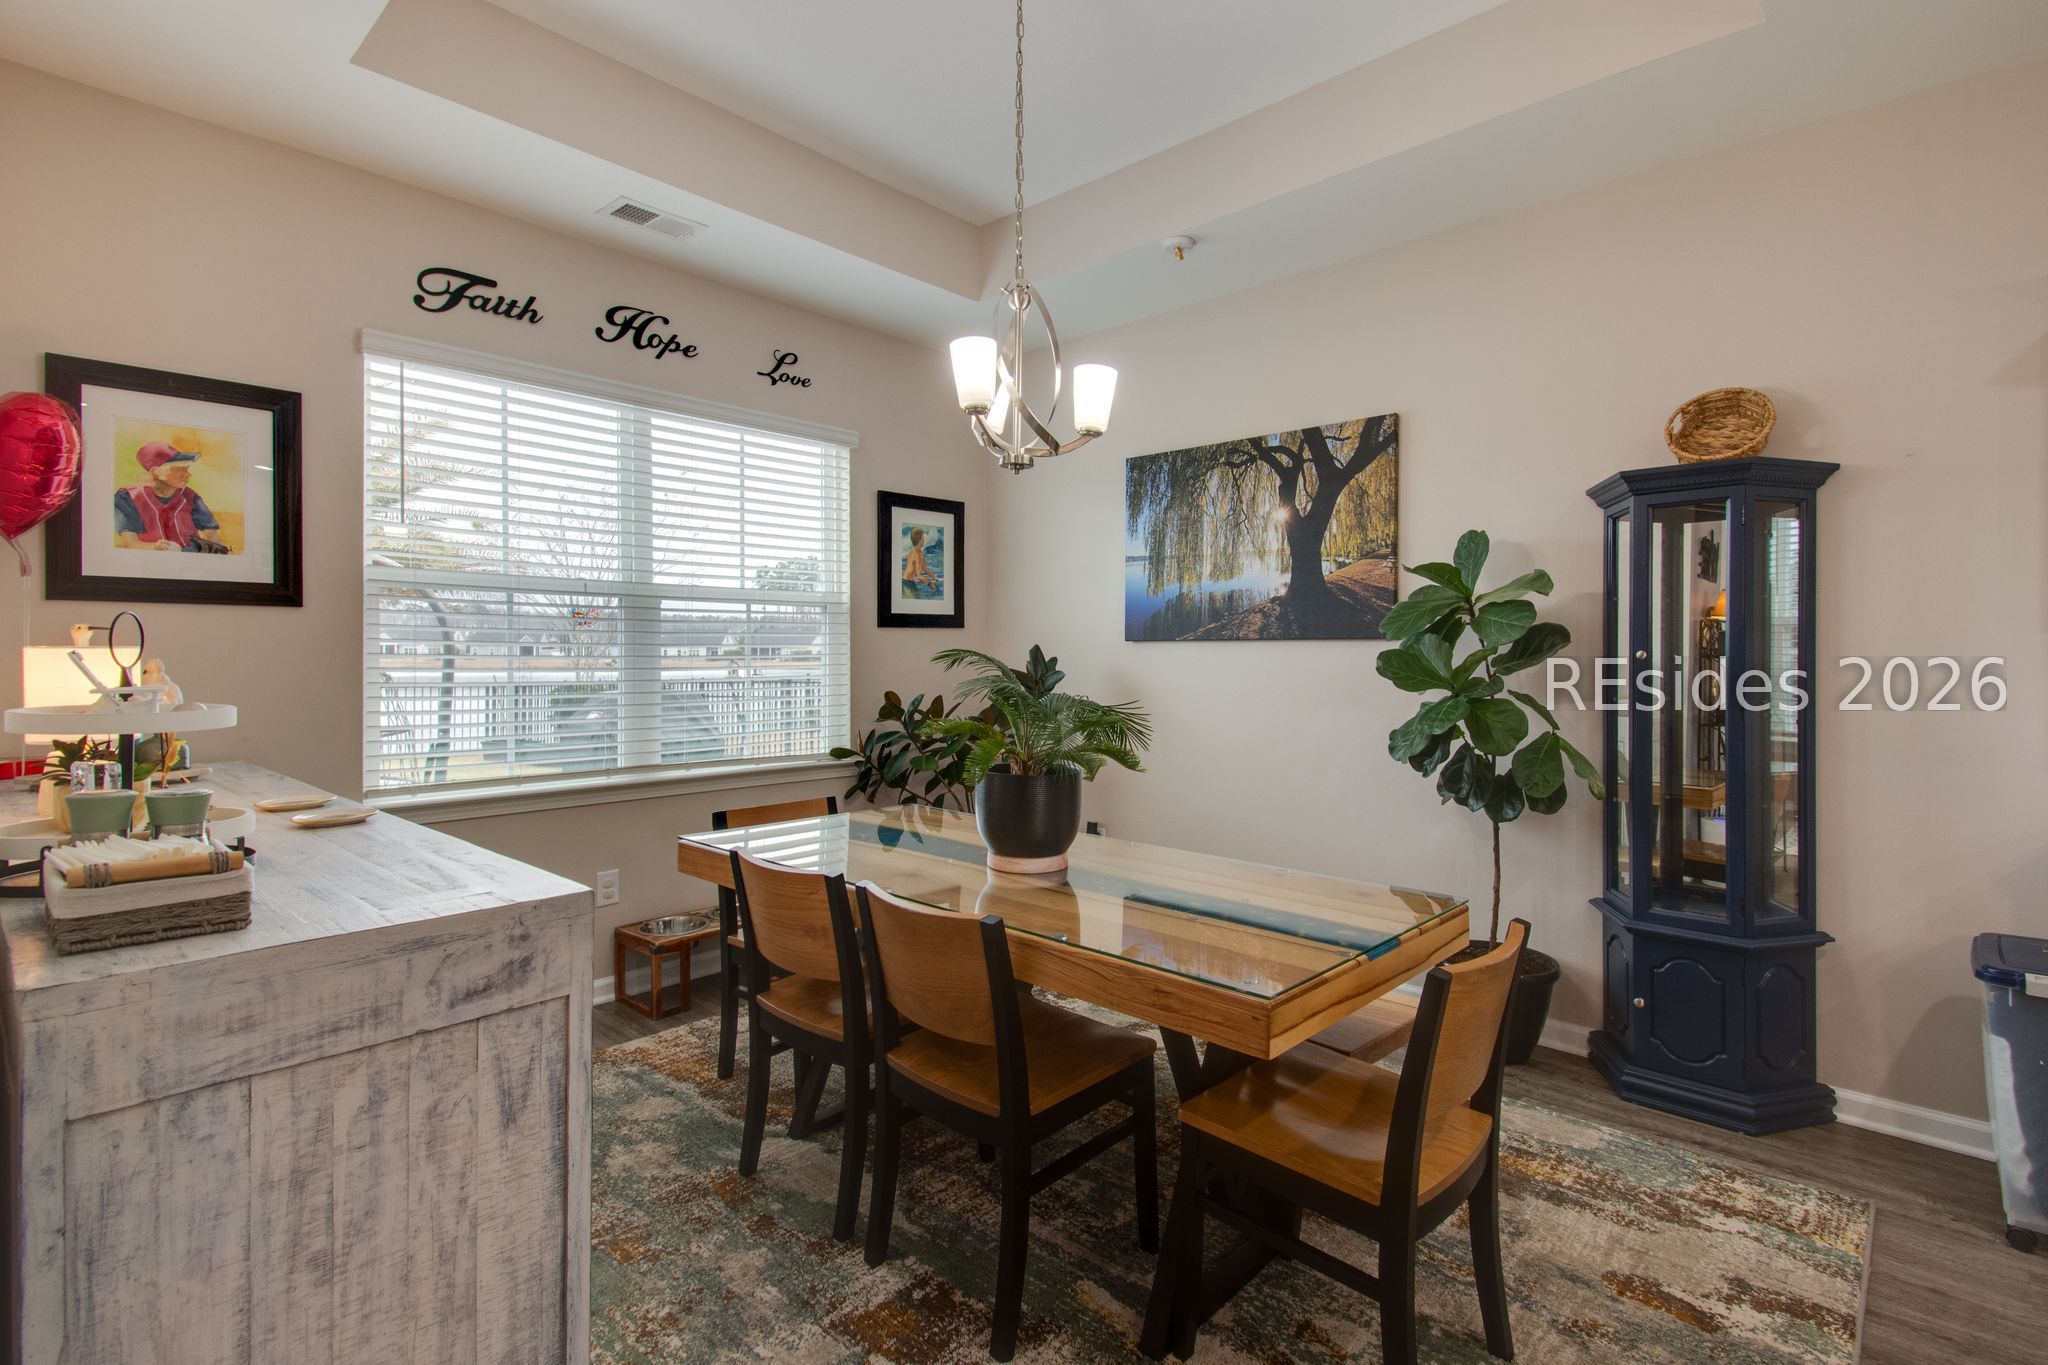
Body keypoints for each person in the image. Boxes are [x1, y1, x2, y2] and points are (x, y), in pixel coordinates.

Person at [114, 442, 226, 553]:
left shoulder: (190, 496)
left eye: (187, 469)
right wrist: (155, 547)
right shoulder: (128, 497)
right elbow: (131, 543)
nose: (188, 474)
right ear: (157, 472)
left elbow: (212, 536)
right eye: (180, 469)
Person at [901, 526, 940, 591]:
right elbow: (919, 576)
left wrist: (935, 577)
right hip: (906, 583)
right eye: (923, 538)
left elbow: (925, 568)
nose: (924, 540)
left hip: (910, 582)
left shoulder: (920, 553)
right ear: (919, 540)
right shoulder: (916, 554)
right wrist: (930, 584)